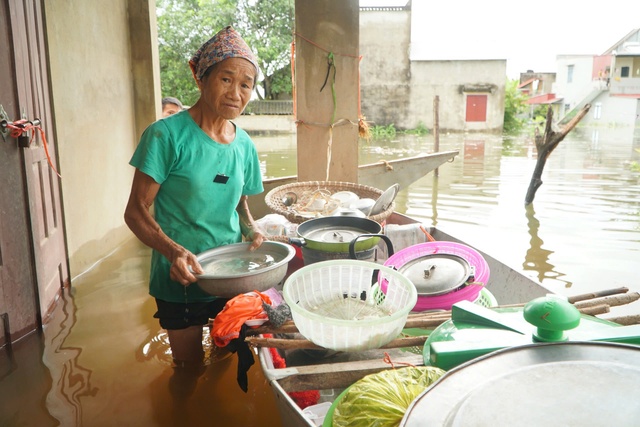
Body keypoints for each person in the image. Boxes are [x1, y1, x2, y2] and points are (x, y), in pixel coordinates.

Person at [124, 26, 265, 368]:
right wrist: (173, 251)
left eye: (246, 84)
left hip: (230, 274)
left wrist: (251, 229)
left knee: (223, 364)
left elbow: (239, 201)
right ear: (202, 79)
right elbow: (136, 212)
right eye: (226, 79)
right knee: (188, 371)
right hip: (181, 277)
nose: (236, 93)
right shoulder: (166, 136)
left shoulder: (244, 144)